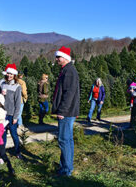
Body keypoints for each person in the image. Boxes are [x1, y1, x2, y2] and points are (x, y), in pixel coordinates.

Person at [52, 46, 80, 176]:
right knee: (67, 139)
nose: (56, 59)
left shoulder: (69, 71)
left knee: (64, 139)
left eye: (58, 57)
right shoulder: (67, 70)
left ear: (65, 58)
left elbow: (69, 93)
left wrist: (62, 111)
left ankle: (66, 170)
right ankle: (66, 166)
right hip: (68, 111)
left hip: (66, 112)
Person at [0, 63, 23, 159]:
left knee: (14, 134)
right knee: (3, 134)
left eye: (11, 74)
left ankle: (18, 152)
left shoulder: (17, 86)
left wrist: (15, 117)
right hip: (2, 114)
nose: (9, 75)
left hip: (11, 115)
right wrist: (1, 94)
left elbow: (18, 103)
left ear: (14, 75)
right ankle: (2, 153)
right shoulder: (2, 84)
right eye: (8, 74)